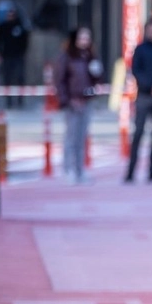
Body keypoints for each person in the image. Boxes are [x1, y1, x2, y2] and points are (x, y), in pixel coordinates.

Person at [52, 27, 103, 185]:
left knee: (82, 137)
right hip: (72, 102)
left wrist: (97, 74)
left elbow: (97, 79)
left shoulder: (90, 57)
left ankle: (80, 169)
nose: (84, 41)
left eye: (87, 38)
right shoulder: (66, 57)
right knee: (71, 137)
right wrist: (65, 100)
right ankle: (68, 169)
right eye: (81, 38)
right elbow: (59, 80)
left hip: (86, 100)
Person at [125, 20, 152, 183]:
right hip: (144, 95)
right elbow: (136, 71)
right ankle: (131, 171)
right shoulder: (140, 49)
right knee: (138, 134)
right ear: (147, 31)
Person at [0, 8, 30, 108]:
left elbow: (25, 41)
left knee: (19, 77)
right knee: (7, 78)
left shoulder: (20, 27)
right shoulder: (3, 27)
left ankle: (20, 99)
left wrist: (23, 52)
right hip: (6, 56)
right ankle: (8, 100)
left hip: (18, 56)